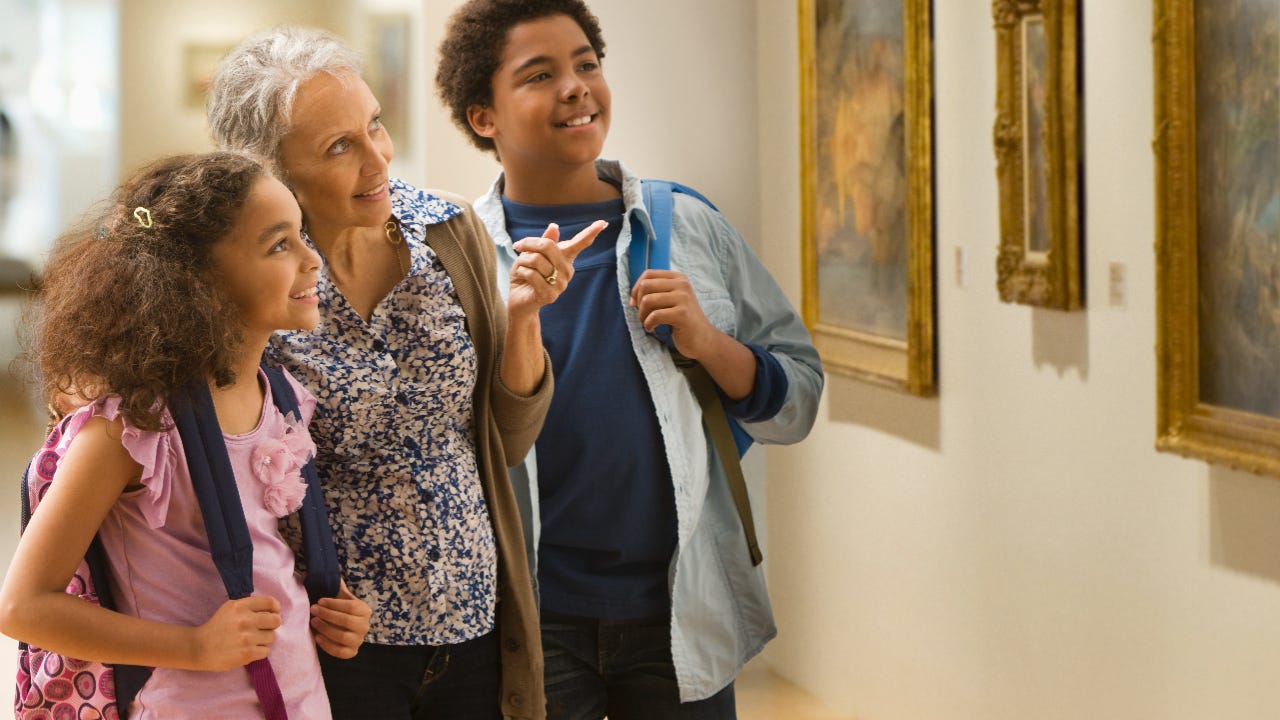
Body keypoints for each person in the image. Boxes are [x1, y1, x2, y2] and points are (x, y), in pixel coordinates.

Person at [435, 2, 825, 718]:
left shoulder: (689, 226)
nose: (578, 86)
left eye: (587, 64)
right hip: (531, 619)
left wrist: (711, 344)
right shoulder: (458, 261)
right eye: (541, 74)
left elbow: (799, 395)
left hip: (681, 610)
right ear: (483, 117)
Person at [207, 26, 601, 720]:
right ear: (271, 172)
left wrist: (525, 315)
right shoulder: (248, 284)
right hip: (334, 642)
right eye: (340, 147)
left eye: (376, 126)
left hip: (478, 617)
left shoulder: (449, 231)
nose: (379, 159)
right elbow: (222, 480)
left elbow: (505, 439)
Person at [0, 151, 372, 719]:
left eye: (302, 236)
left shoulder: (283, 398)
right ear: (200, 282)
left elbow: (259, 552)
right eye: (279, 245)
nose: (311, 259)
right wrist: (194, 647)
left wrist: (327, 604)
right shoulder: (133, 428)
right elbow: (22, 606)